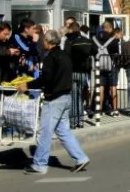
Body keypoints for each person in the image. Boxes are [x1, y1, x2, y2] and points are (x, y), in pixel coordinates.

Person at [23, 30, 90, 174]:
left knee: (45, 132)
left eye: (45, 41)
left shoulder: (50, 57)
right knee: (63, 131)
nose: (43, 43)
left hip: (54, 99)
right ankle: (80, 157)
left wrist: (27, 85)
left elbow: (46, 79)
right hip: (66, 96)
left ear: (50, 42)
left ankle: (39, 164)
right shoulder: (65, 55)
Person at [64, 22, 96, 128]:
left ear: (71, 30)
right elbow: (94, 51)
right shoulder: (87, 41)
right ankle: (81, 121)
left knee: (73, 97)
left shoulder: (69, 41)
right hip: (83, 72)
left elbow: (66, 56)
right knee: (81, 97)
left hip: (72, 72)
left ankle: (73, 122)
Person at [92, 21, 120, 116]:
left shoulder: (94, 39)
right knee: (113, 87)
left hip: (99, 66)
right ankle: (114, 109)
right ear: (110, 28)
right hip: (111, 66)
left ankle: (98, 110)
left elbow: (92, 51)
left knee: (101, 88)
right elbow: (116, 53)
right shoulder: (113, 40)